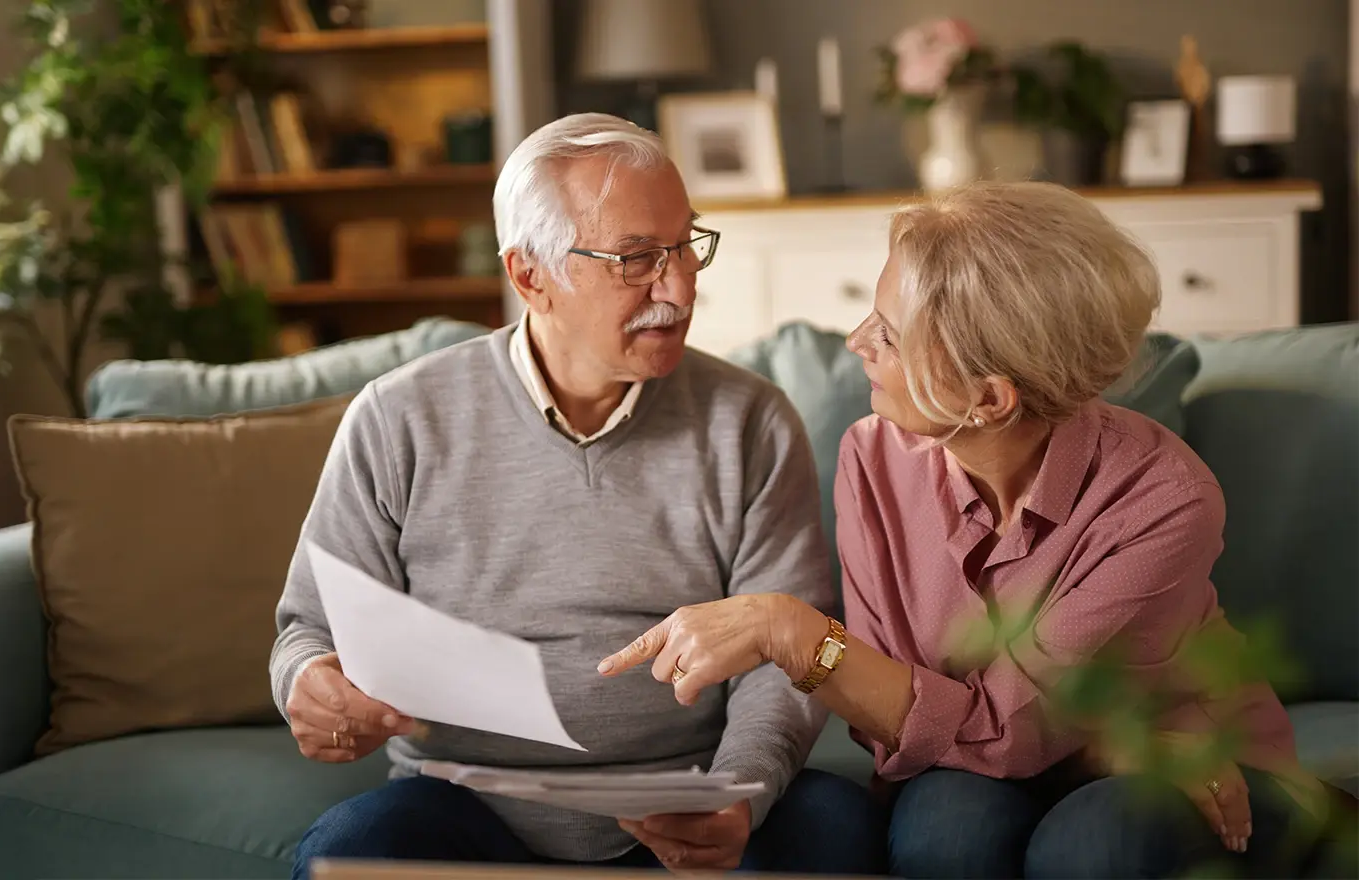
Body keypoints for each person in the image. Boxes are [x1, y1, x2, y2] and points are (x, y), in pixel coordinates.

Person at [600, 180, 1329, 878]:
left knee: (1092, 847)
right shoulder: (873, 459)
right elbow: (888, 727)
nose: (857, 340)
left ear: (988, 399)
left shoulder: (1166, 500)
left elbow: (1000, 728)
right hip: (1042, 759)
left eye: (888, 332)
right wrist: (1100, 749)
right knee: (942, 829)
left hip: (1193, 763)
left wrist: (793, 632)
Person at [270, 113, 884, 879]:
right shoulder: (399, 418)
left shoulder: (751, 421)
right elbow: (308, 628)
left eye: (686, 245)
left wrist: (739, 796)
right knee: (348, 851)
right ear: (531, 275)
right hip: (466, 803)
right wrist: (310, 683)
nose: (682, 285)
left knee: (835, 828)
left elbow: (783, 664)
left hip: (688, 794)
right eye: (637, 259)